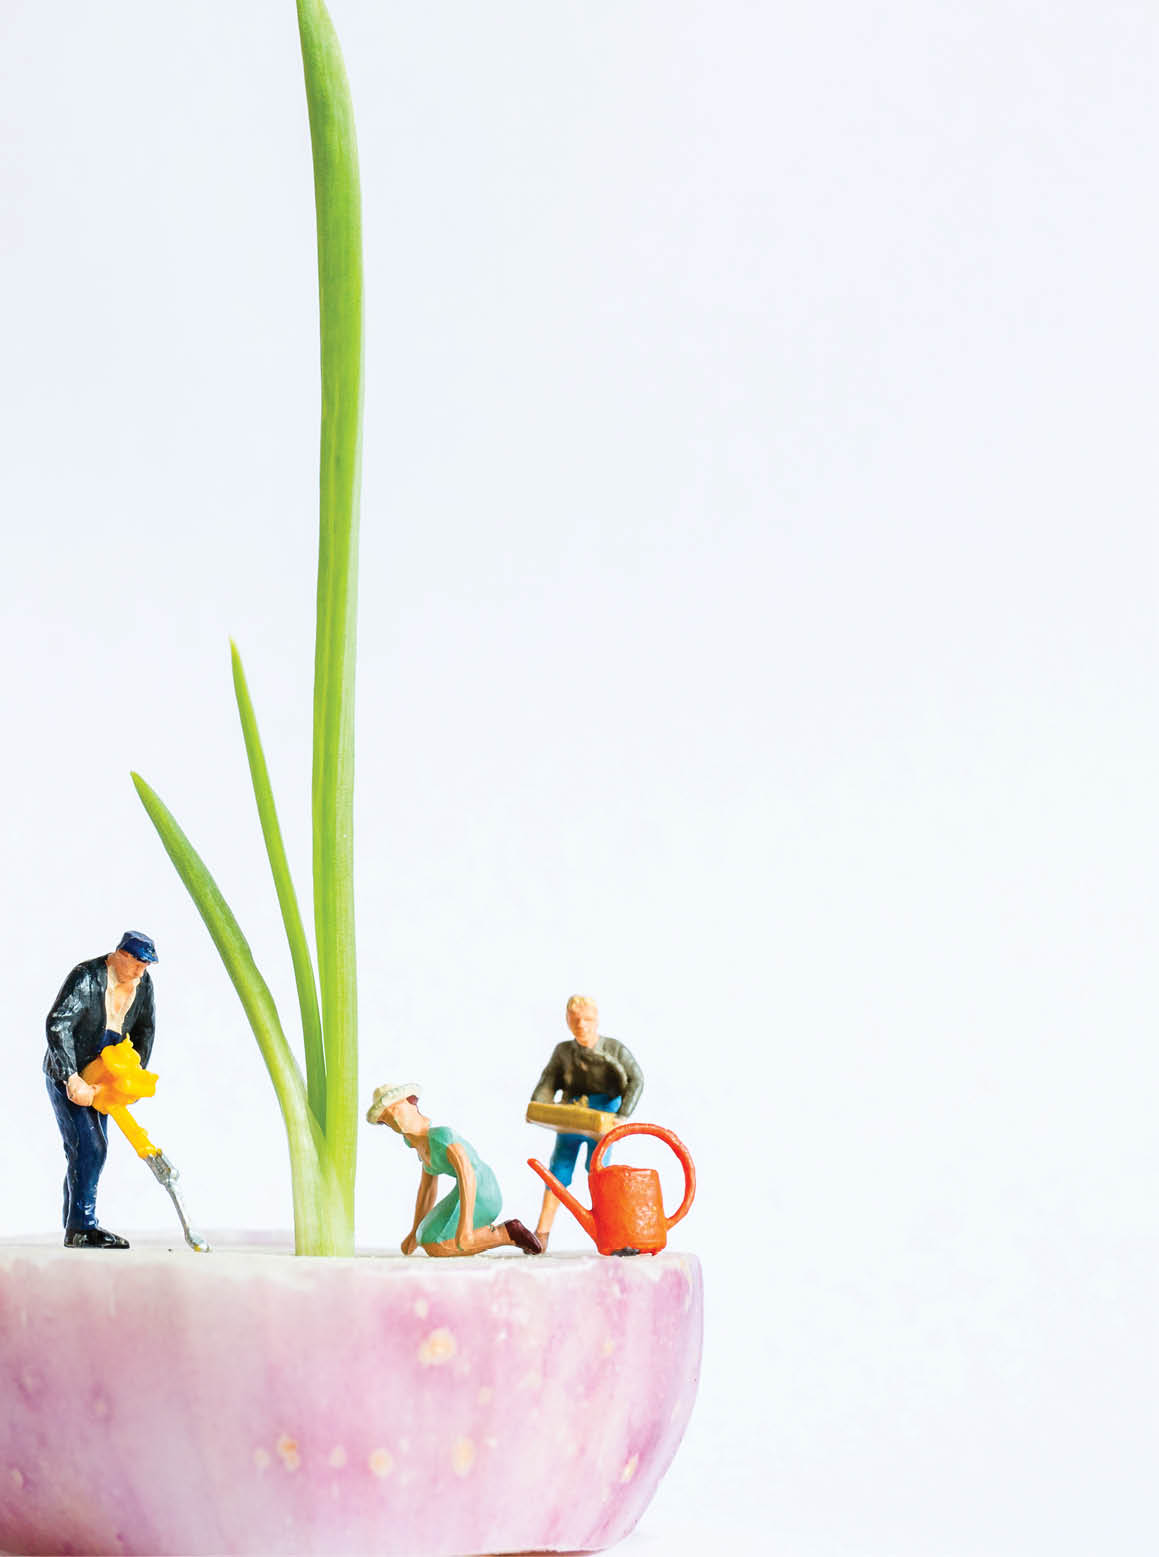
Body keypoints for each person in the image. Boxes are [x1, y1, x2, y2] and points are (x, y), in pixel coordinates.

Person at [44, 931, 159, 1249]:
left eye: (145, 966)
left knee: (84, 1149)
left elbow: (145, 1029)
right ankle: (82, 1228)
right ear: (120, 954)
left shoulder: (143, 984)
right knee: (91, 1147)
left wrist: (133, 1075)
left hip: (107, 1073)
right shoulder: (87, 977)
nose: (140, 971)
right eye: (136, 963)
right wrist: (71, 1077)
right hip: (73, 1071)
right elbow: (58, 1024)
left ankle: (75, 1221)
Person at [366, 1082, 542, 1256]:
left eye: (397, 1110)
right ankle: (502, 1233)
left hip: (482, 1190)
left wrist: (465, 1228)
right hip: (464, 1189)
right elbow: (427, 1190)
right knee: (425, 1237)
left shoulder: (442, 1137)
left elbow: (468, 1175)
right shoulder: (418, 1145)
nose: (395, 1119)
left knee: (438, 1245)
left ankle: (507, 1233)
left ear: (412, 1104)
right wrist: (413, 1231)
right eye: (387, 1118)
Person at [529, 995, 643, 1248]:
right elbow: (549, 1080)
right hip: (572, 1113)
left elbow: (636, 1079)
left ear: (597, 1020)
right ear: (568, 1021)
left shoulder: (615, 1049)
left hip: (603, 1116)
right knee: (558, 1171)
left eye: (587, 1019)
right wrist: (538, 1107)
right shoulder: (563, 1051)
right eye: (575, 1019)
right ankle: (542, 1234)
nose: (581, 1025)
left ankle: (611, 1232)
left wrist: (622, 1115)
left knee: (599, 1173)